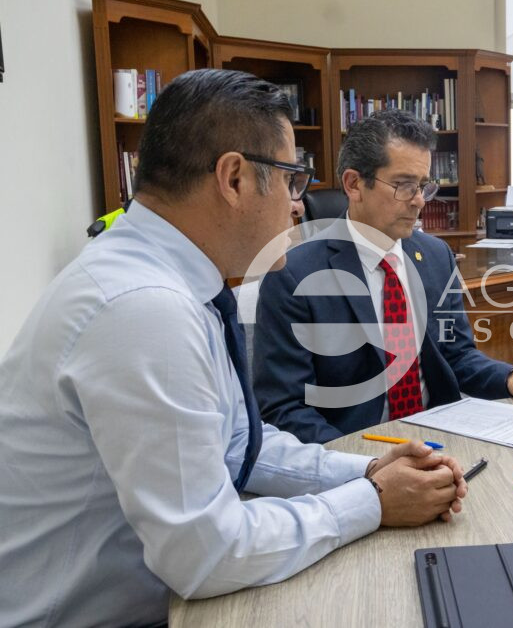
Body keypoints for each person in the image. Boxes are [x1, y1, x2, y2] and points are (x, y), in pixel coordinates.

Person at [0, 69, 467, 627]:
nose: (299, 206)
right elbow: (207, 554)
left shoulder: (170, 282)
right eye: (292, 180)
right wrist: (373, 501)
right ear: (235, 178)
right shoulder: (144, 308)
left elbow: (240, 447)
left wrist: (368, 470)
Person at [252, 109, 513, 444]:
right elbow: (283, 407)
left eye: (423, 186)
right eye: (405, 185)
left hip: (442, 439)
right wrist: (364, 463)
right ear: (354, 184)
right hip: (357, 451)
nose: (420, 201)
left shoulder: (435, 256)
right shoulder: (294, 275)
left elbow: (458, 355)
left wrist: (510, 377)